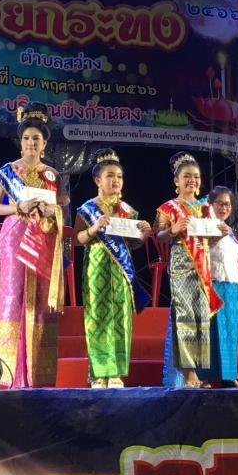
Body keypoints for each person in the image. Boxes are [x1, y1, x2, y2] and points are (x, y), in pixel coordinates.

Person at [0, 102, 68, 388]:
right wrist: (18, 207)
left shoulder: (52, 175)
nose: (31, 143)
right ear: (20, 142)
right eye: (26, 138)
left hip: (42, 237)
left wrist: (51, 211)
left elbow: (61, 209)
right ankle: (10, 374)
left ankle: (37, 374)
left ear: (44, 143)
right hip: (14, 236)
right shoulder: (8, 171)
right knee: (12, 297)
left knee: (40, 301)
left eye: (36, 138)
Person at [74, 148, 151, 388]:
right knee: (97, 318)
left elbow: (132, 245)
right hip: (97, 266)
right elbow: (76, 240)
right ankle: (99, 374)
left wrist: (143, 236)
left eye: (119, 176)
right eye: (110, 176)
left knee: (121, 318)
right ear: (98, 180)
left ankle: (116, 372)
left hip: (121, 272)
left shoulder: (128, 211)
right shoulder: (87, 209)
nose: (116, 180)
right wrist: (94, 228)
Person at [156, 152, 228, 388]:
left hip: (203, 270)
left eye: (196, 176)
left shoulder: (206, 208)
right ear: (176, 181)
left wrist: (220, 235)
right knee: (185, 319)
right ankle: (188, 375)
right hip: (182, 269)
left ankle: (197, 372)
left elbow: (209, 240)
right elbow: (160, 236)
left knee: (201, 321)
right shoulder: (168, 208)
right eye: (187, 176)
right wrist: (174, 229)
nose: (192, 180)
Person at [197, 186, 238, 387]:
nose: (224, 208)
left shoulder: (229, 230)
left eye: (227, 204)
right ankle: (204, 376)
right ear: (211, 205)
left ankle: (229, 375)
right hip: (211, 282)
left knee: (230, 330)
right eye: (220, 204)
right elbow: (198, 249)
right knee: (210, 330)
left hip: (231, 284)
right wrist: (216, 236)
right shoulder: (204, 225)